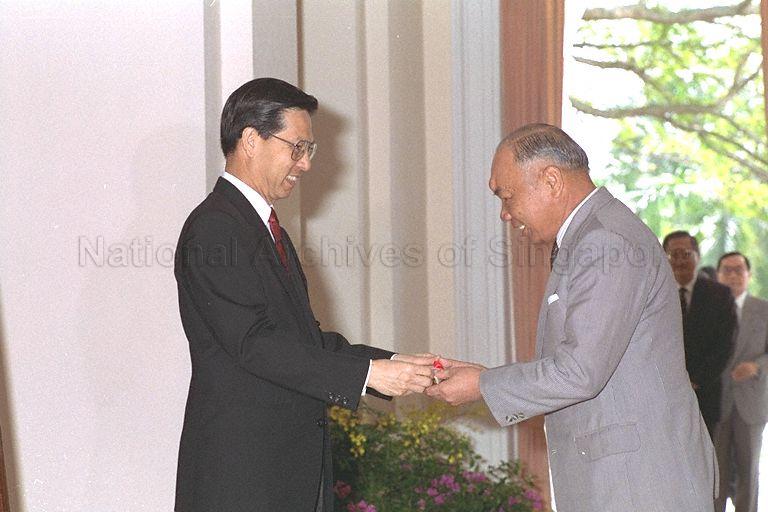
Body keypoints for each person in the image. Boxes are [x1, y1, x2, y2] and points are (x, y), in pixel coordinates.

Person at [173, 78, 434, 512]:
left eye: (307, 150)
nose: (305, 164)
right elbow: (253, 344)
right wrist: (368, 375)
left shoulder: (258, 225)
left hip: (279, 473)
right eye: (297, 147)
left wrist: (392, 363)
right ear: (251, 140)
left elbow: (302, 341)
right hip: (243, 478)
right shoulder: (216, 228)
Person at [426, 124, 717, 511]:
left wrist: (483, 384)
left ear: (551, 180)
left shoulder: (605, 241)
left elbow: (580, 372)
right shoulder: (592, 236)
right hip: (629, 477)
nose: (505, 214)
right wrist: (484, 378)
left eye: (507, 196)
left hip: (638, 483)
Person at [663, 231, 737, 436]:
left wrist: (695, 381)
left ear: (697, 255)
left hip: (705, 394)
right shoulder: (655, 294)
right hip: (664, 396)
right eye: (672, 255)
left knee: (705, 462)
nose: (679, 261)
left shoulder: (720, 295)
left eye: (685, 254)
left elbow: (725, 346)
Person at [714, 252, 768, 512]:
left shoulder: (764, 309)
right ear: (718, 275)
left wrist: (757, 366)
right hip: (717, 403)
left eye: (739, 270)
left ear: (749, 275)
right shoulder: (709, 310)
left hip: (752, 402)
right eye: (727, 270)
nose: (733, 275)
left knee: (749, 474)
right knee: (717, 475)